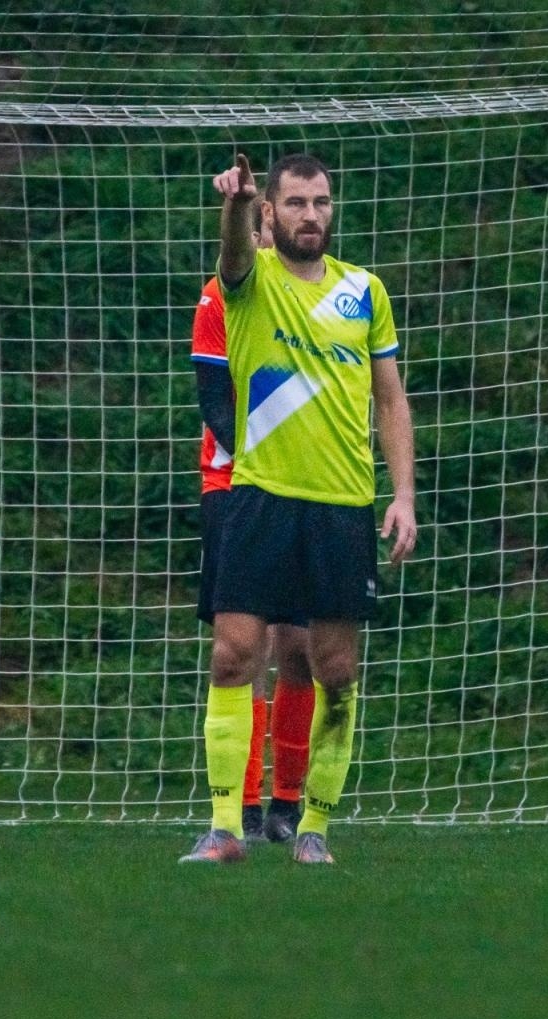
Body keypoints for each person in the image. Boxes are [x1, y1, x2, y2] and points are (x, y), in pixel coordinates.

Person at [181, 152, 418, 865]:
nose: (310, 215)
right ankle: (226, 827)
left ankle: (313, 827)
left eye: (320, 202)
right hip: (259, 496)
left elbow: (390, 400)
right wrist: (233, 208)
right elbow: (231, 257)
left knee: (335, 669)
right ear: (271, 213)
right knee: (233, 655)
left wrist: (404, 495)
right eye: (294, 203)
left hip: (342, 505)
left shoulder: (365, 290)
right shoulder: (250, 283)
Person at [190, 201, 316, 845]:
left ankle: (286, 805)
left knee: (300, 646)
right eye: (258, 226)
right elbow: (215, 402)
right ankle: (238, 806)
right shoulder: (220, 297)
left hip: (308, 489)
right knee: (244, 649)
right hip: (235, 486)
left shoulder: (320, 301)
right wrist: (261, 461)